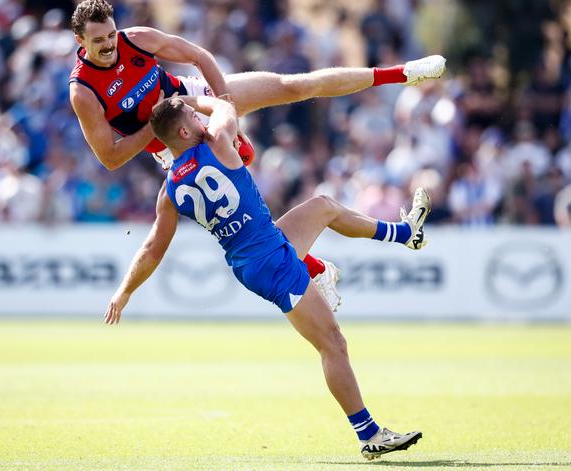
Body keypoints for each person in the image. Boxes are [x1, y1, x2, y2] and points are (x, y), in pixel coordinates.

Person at [104, 94, 431, 460]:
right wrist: (195, 94)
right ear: (184, 129)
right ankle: (368, 434)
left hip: (257, 254)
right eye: (194, 117)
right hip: (270, 260)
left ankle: (404, 234)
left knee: (322, 207)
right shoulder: (217, 143)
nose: (200, 118)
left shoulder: (170, 191)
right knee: (332, 344)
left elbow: (151, 249)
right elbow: (227, 107)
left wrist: (124, 291)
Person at [68, 0, 445, 309]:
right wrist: (156, 123)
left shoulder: (136, 39)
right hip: (175, 148)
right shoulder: (83, 91)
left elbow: (199, 55)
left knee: (292, 85)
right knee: (250, 219)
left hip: (197, 96)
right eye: (99, 40)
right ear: (81, 43)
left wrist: (222, 103)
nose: (110, 44)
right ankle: (314, 269)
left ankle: (403, 73)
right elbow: (111, 157)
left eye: (112, 34)